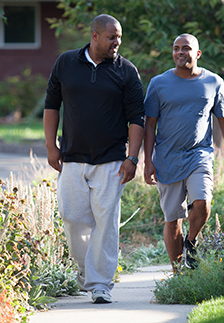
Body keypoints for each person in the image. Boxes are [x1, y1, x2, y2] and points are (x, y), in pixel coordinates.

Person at [43, 14, 144, 303]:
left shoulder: (127, 71)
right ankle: (87, 272)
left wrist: (132, 158)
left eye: (120, 37)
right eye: (112, 37)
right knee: (72, 217)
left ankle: (100, 284)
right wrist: (51, 146)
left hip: (112, 160)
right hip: (72, 157)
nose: (117, 42)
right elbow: (52, 105)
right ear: (95, 36)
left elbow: (136, 118)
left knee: (106, 222)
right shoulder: (66, 63)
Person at [143, 33, 224, 272]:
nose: (180, 52)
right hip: (166, 159)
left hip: (199, 155)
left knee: (202, 203)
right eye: (176, 48)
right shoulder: (158, 84)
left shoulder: (213, 82)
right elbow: (149, 124)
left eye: (186, 48)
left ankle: (191, 241)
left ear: (197, 54)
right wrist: (147, 161)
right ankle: (178, 273)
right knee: (172, 220)